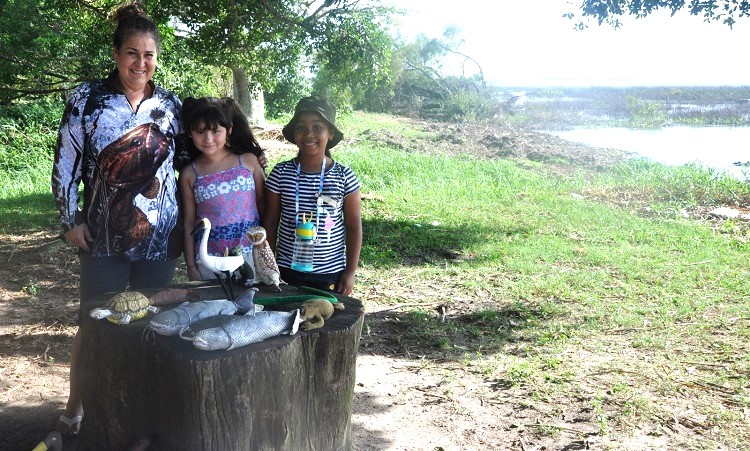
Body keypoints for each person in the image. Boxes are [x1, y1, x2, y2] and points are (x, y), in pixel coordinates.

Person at [51, 2, 182, 436]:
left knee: (153, 325)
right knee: (94, 325)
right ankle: (76, 407)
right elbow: (66, 164)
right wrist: (69, 220)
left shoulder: (171, 105)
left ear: (156, 58)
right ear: (116, 54)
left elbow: (192, 161)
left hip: (160, 241)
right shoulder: (87, 100)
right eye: (131, 53)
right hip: (102, 238)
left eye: (148, 55)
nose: (140, 63)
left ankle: (145, 413)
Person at [264, 95, 362, 296]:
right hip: (286, 270)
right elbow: (270, 223)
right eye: (301, 127)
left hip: (330, 274)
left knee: (325, 314)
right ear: (294, 133)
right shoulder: (281, 173)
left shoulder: (344, 176)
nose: (309, 134)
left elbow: (354, 228)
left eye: (317, 127)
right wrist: (269, 266)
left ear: (330, 133)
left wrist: (351, 271)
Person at [179, 97, 265, 283]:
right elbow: (189, 223)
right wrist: (191, 268)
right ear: (190, 133)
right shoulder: (189, 174)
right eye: (200, 132)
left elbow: (264, 207)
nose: (208, 139)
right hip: (209, 261)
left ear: (229, 130)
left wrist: (266, 251)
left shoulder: (248, 162)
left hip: (250, 256)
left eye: (216, 131)